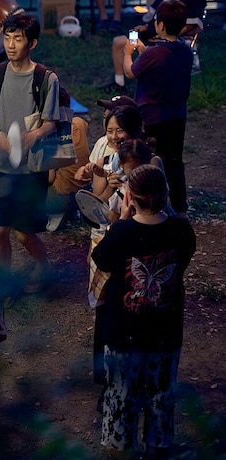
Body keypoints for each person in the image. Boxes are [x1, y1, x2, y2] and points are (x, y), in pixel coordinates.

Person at [91, 164, 195, 457]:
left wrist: (122, 220)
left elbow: (102, 259)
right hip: (165, 329)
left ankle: (122, 448)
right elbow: (183, 261)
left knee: (120, 394)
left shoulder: (123, 231)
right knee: (161, 393)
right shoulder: (181, 230)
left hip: (125, 332)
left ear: (130, 197)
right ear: (166, 195)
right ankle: (157, 446)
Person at [0, 13, 58, 291]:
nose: (10, 45)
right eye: (7, 38)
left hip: (31, 168)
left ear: (31, 43)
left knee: (24, 233)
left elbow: (51, 122)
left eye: (17, 39)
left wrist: (33, 135)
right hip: (0, 166)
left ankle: (43, 265)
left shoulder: (46, 79)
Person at [124, 0, 193, 215]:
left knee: (149, 160)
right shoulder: (186, 50)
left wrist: (128, 53)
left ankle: (148, 206)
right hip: (177, 115)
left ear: (160, 24)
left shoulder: (152, 53)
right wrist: (145, 51)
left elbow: (130, 72)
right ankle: (180, 209)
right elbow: (163, 65)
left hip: (152, 116)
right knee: (174, 161)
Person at [106, 0, 203, 95]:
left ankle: (145, 82)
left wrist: (167, 35)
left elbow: (190, 25)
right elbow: (155, 12)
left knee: (146, 51)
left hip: (170, 38)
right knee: (120, 41)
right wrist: (146, 26)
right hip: (154, 32)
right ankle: (119, 82)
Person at [44, 88, 90, 232]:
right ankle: (72, 211)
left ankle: (55, 212)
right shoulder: (80, 123)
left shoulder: (51, 135)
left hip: (60, 195)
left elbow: (49, 178)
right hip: (84, 190)